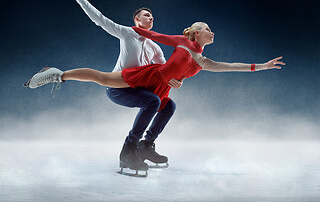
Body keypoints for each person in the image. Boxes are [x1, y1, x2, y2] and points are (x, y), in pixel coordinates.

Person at [25, 22, 285, 147]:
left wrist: (261, 66)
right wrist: (129, 27)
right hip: (150, 77)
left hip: (162, 89)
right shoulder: (182, 42)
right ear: (195, 33)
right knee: (102, 78)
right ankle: (57, 75)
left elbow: (232, 67)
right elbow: (152, 34)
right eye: (206, 28)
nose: (211, 30)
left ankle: (147, 145)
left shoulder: (203, 62)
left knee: (167, 106)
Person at [60, 0, 184, 172]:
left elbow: (167, 70)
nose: (151, 18)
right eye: (146, 15)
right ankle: (128, 151)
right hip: (118, 88)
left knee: (168, 105)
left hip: (139, 89)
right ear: (136, 20)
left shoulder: (155, 47)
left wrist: (177, 80)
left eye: (153, 16)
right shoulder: (128, 33)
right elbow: (99, 19)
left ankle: (145, 146)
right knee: (153, 101)